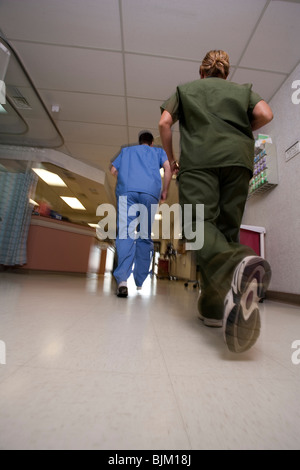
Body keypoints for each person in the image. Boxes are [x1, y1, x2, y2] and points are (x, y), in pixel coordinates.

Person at [159, 50, 274, 353]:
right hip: (238, 161)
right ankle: (213, 308)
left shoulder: (186, 90)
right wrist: (237, 134)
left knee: (197, 226)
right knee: (224, 232)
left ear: (202, 72)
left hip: (200, 161)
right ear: (226, 72)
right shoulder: (242, 91)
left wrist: (171, 161)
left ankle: (239, 261)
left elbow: (164, 123)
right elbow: (265, 114)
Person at [110, 131, 172, 298]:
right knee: (144, 235)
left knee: (125, 233)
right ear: (151, 143)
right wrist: (164, 191)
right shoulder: (158, 152)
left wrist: (126, 178)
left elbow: (113, 170)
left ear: (139, 142)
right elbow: (168, 169)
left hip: (126, 193)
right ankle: (139, 281)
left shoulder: (126, 151)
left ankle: (122, 281)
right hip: (149, 193)